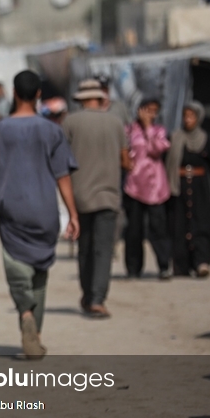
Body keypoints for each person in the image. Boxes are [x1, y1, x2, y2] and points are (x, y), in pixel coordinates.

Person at [0, 70, 80, 359]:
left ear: (13, 91)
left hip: (13, 211)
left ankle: (25, 313)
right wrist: (73, 213)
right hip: (45, 212)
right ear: (38, 94)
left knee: (16, 270)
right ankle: (36, 333)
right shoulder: (52, 131)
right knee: (39, 274)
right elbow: (63, 176)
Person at [61, 78, 130, 318]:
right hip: (109, 195)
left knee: (85, 248)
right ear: (101, 99)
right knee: (103, 249)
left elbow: (61, 160)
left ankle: (88, 294)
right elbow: (125, 161)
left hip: (79, 197)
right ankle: (98, 299)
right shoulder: (116, 122)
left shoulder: (70, 121)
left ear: (80, 99)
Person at [165, 101, 210, 277]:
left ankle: (202, 262)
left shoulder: (205, 139)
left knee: (202, 222)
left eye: (191, 116)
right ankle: (181, 266)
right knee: (178, 225)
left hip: (200, 188)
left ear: (198, 118)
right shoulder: (175, 137)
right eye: (185, 116)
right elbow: (165, 162)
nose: (188, 120)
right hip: (178, 187)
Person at [123, 97, 172, 279]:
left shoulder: (159, 131)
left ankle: (164, 265)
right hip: (134, 186)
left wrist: (148, 128)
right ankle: (133, 268)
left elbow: (157, 150)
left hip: (155, 188)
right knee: (134, 229)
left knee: (158, 227)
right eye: (147, 110)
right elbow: (124, 150)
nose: (150, 114)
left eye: (154, 110)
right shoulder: (129, 130)